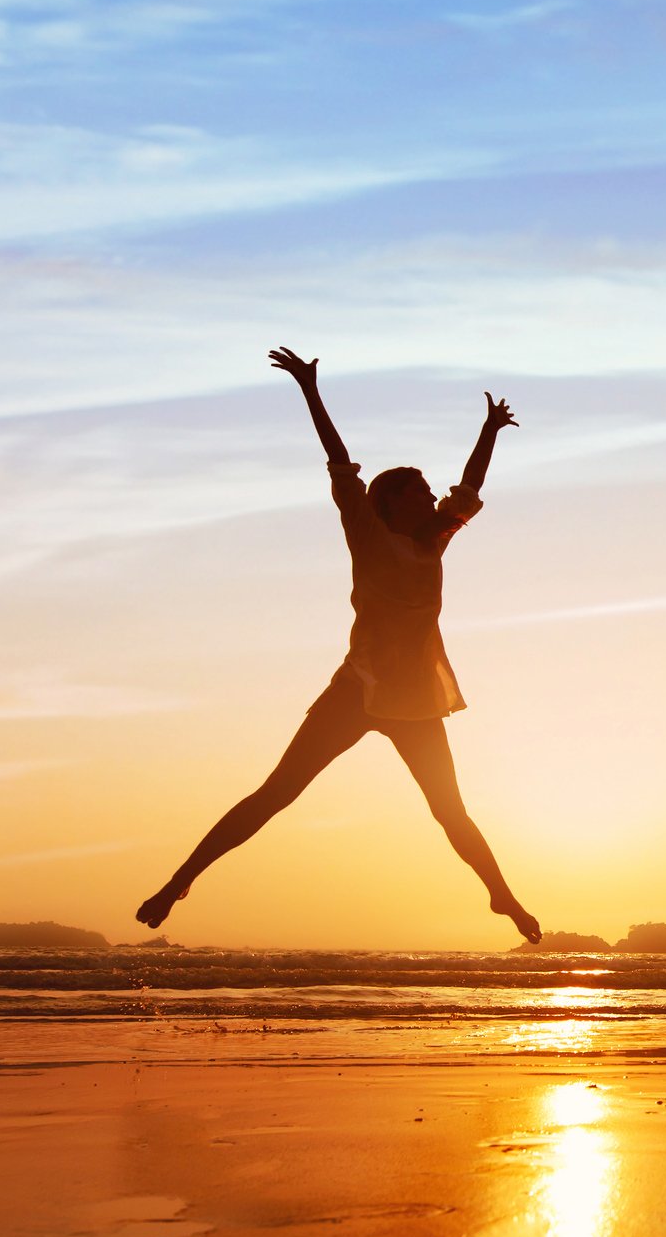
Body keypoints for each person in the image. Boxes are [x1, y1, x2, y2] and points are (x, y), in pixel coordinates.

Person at [136, 346, 540, 943]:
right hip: (357, 689)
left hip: (415, 701)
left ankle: (501, 896)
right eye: (418, 490)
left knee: (449, 810)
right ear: (390, 501)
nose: (431, 497)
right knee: (276, 793)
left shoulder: (435, 541)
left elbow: (468, 487)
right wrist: (309, 389)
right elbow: (340, 461)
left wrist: (487, 432)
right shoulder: (367, 533)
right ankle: (180, 881)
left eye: (429, 491)